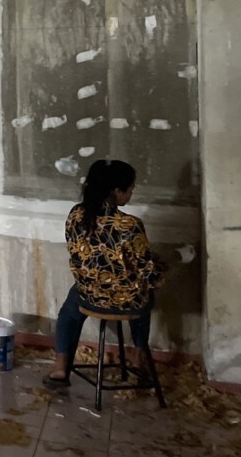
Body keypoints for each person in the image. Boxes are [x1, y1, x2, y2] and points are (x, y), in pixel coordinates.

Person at [44, 159, 167, 387]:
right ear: (116, 191)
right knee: (145, 295)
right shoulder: (129, 225)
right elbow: (149, 272)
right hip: (127, 300)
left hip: (89, 294)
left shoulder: (76, 215)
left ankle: (60, 365)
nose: (131, 193)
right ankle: (138, 358)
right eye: (130, 189)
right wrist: (172, 261)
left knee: (69, 312)